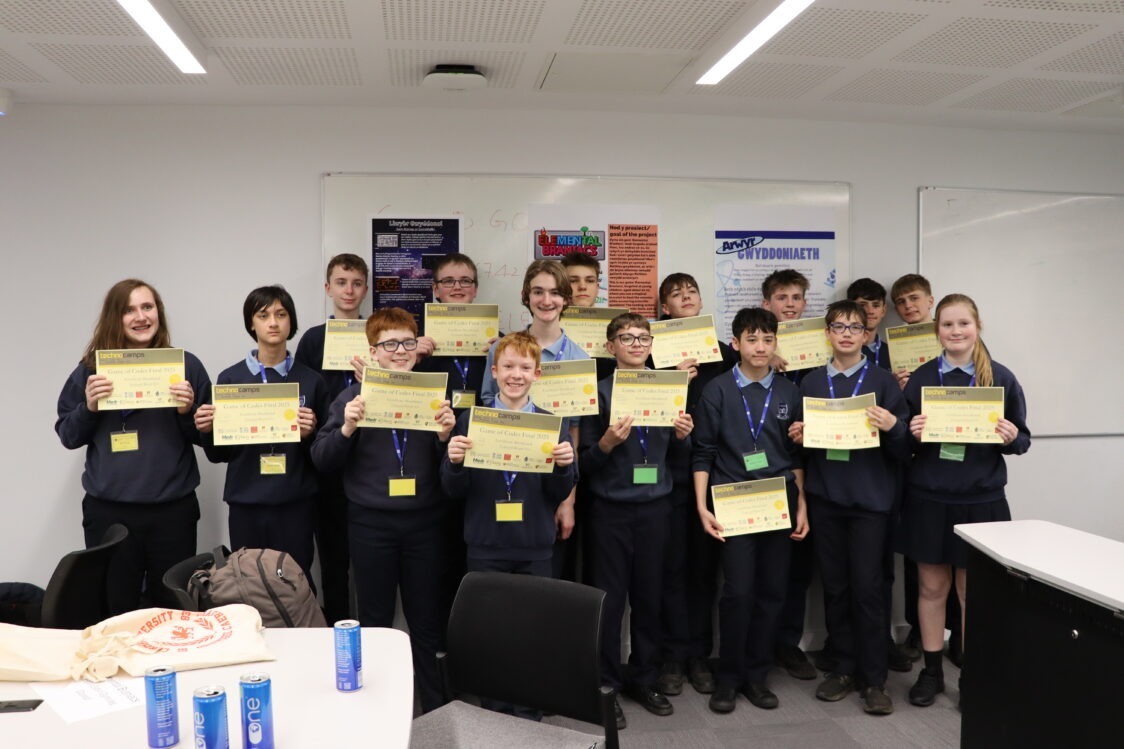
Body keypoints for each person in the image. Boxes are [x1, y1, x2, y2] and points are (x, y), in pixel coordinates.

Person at [310, 307, 456, 714]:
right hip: (370, 525)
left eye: (407, 342)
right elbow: (322, 459)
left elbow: (453, 473)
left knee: (426, 622)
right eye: (389, 344)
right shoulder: (351, 399)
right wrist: (346, 429)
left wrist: (446, 437)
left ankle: (436, 710)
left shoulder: (433, 398)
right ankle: (375, 712)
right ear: (372, 352)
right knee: (374, 621)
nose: (400, 351)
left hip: (425, 525)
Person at [900, 293, 1030, 707]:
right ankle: (932, 672)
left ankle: (974, 674)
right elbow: (901, 443)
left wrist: (1011, 437)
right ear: (936, 330)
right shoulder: (922, 378)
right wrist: (911, 433)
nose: (955, 331)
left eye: (963, 324)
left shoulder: (1000, 377)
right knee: (931, 587)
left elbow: (1023, 440)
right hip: (930, 498)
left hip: (982, 501)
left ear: (977, 327)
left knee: (972, 592)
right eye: (947, 325)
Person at [442, 332, 576, 720]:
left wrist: (564, 467)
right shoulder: (471, 420)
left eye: (525, 367)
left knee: (533, 633)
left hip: (534, 545)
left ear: (537, 374)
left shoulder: (551, 424)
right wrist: (454, 462)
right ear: (495, 372)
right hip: (486, 544)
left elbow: (558, 491)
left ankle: (530, 714)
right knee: (490, 634)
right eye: (508, 367)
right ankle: (496, 714)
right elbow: (453, 490)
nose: (516, 375)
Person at [55, 279, 210, 613]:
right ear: (116, 317)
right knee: (114, 609)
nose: (141, 317)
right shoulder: (91, 371)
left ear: (158, 313)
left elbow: (210, 440)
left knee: (173, 611)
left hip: (172, 513)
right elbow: (68, 435)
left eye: (147, 307)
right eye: (129, 310)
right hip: (110, 516)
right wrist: (89, 408)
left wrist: (187, 412)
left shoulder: (186, 367)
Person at [787, 301, 910, 715]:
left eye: (854, 328)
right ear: (827, 333)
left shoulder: (883, 381)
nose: (846, 334)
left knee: (868, 590)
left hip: (870, 503)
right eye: (838, 327)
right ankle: (842, 668)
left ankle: (873, 679)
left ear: (866, 335)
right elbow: (802, 449)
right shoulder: (810, 382)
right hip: (826, 499)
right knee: (836, 588)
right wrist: (799, 435)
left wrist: (893, 427)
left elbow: (905, 448)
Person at [693, 307, 809, 713]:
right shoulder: (718, 390)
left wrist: (802, 504)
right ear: (736, 343)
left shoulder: (790, 392)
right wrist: (701, 506)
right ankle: (728, 678)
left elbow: (796, 455)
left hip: (779, 502)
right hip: (733, 502)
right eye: (752, 339)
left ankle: (757, 676)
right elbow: (703, 452)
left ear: (776, 343)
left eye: (767, 339)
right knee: (738, 592)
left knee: (772, 592)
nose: (760, 347)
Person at [580, 313, 693, 729]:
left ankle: (644, 678)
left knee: (650, 599)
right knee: (610, 604)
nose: (636, 344)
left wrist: (683, 438)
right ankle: (607, 686)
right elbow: (584, 464)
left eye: (643, 338)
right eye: (626, 338)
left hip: (656, 510)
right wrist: (607, 443)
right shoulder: (598, 393)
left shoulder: (669, 389)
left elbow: (679, 459)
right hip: (610, 512)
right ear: (610, 347)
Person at [194, 286, 329, 575]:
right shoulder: (230, 379)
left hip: (295, 503)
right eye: (263, 315)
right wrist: (207, 430)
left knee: (296, 581)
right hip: (246, 502)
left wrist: (310, 435)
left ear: (291, 321)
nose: (273, 322)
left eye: (281, 314)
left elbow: (323, 456)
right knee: (249, 582)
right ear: (251, 323)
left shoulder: (311, 380)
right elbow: (219, 455)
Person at [653, 272, 738, 697]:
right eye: (676, 294)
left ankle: (699, 655)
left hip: (714, 476)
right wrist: (675, 380)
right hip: (667, 478)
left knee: (705, 572)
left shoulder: (723, 354)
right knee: (671, 570)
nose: (686, 297)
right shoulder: (651, 355)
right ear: (665, 309)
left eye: (692, 292)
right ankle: (672, 655)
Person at [479, 260, 587, 552]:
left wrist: (568, 502)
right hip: (503, 473)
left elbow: (573, 435)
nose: (546, 300)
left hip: (550, 480)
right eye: (538, 291)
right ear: (526, 295)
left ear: (566, 298)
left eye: (555, 292)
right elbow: (488, 411)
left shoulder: (579, 359)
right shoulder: (500, 350)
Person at [295, 252, 369, 623]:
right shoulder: (313, 339)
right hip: (327, 462)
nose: (349, 290)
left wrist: (373, 378)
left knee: (369, 560)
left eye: (356, 283)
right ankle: (338, 629)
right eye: (341, 282)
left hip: (370, 460)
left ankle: (373, 631)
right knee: (333, 561)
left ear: (366, 289)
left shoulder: (380, 336)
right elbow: (302, 393)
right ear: (328, 288)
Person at [759, 268, 818, 681]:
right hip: (765, 472)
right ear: (768, 304)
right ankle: (758, 645)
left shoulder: (823, 349)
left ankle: (788, 643)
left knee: (798, 563)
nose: (791, 304)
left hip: (814, 466)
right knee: (761, 566)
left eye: (797, 297)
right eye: (782, 297)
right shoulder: (755, 351)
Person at [890, 273, 936, 390]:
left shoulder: (952, 336)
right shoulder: (893, 347)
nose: (908, 305)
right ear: (896, 310)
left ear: (930, 301)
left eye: (914, 298)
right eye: (901, 301)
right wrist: (894, 386)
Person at [847, 278, 891, 371]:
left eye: (876, 305)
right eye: (862, 305)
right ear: (850, 309)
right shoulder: (839, 349)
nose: (870, 311)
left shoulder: (892, 352)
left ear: (883, 310)